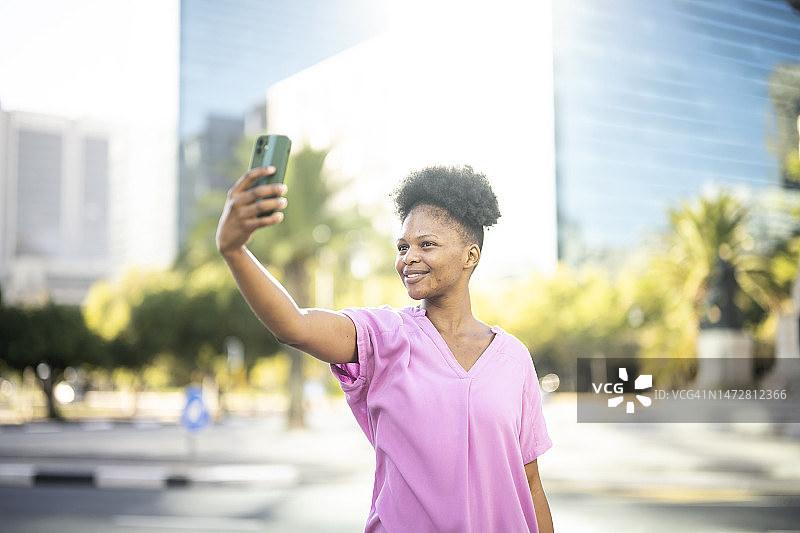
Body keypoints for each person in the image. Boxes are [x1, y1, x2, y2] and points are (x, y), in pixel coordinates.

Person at [216, 163, 554, 533]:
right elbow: (294, 325)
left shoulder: (514, 359)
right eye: (403, 246)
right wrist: (234, 250)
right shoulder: (383, 337)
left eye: (427, 244)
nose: (409, 257)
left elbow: (530, 481)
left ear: (470, 256)